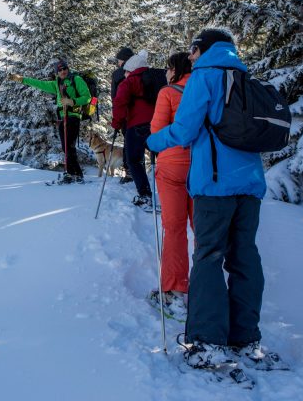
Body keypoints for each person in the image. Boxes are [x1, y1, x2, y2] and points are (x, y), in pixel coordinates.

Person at [146, 28, 280, 370]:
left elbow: (185, 130)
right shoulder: (244, 77)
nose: (190, 57)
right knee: (245, 258)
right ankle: (245, 338)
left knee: (208, 256)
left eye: (193, 51)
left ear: (202, 50)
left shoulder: (204, 79)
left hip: (214, 184)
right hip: (250, 184)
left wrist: (154, 143)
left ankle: (207, 340)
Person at [147, 52, 193, 321]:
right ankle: (205, 288)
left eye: (167, 67)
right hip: (200, 166)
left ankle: (175, 289)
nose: (165, 72)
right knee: (203, 229)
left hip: (172, 165)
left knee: (174, 227)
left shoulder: (169, 92)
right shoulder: (204, 89)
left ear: (175, 69)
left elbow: (157, 130)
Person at [8, 59, 91, 183]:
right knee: (66, 147)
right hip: (62, 117)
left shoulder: (76, 80)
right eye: (60, 70)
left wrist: (72, 101)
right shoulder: (56, 84)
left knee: (69, 146)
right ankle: (73, 174)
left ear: (67, 69)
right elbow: (38, 83)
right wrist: (21, 79)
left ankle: (74, 174)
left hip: (73, 116)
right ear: (56, 72)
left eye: (64, 68)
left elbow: (87, 97)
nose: (63, 71)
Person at [112, 49, 156, 209]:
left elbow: (119, 103)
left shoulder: (129, 82)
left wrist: (116, 123)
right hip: (157, 125)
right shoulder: (154, 79)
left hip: (136, 126)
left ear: (130, 69)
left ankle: (145, 195)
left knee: (133, 160)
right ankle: (169, 194)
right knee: (159, 159)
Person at [111, 47, 134, 184]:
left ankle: (129, 171)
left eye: (119, 60)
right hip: (143, 116)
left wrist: (116, 120)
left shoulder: (118, 74)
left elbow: (116, 99)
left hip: (126, 115)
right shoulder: (142, 70)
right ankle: (137, 169)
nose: (118, 63)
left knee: (128, 143)